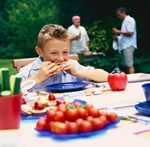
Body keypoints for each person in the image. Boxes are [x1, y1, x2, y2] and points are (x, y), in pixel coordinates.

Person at [18, 24, 108, 90]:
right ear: (40, 51)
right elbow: (8, 93)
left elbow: (106, 76)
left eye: (65, 52)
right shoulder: (29, 71)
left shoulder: (73, 67)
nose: (61, 58)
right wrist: (37, 78)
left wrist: (79, 72)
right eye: (54, 53)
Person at [112, 7, 137, 74]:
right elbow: (124, 34)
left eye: (119, 15)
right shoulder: (125, 21)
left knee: (129, 65)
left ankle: (132, 80)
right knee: (125, 65)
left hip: (128, 46)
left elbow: (130, 33)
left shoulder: (130, 20)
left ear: (123, 12)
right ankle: (127, 80)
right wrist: (117, 37)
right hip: (124, 46)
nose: (118, 17)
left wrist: (118, 32)